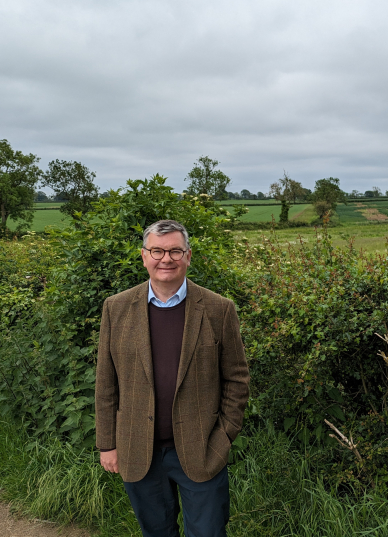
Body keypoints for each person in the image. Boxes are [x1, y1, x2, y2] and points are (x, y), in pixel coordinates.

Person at [95, 219, 249, 537]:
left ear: (188, 256)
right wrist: (107, 444)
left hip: (201, 448)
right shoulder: (116, 308)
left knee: (207, 532)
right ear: (144, 256)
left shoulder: (219, 310)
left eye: (175, 251)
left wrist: (224, 437)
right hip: (138, 449)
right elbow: (106, 383)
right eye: (157, 251)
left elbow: (237, 379)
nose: (166, 259)